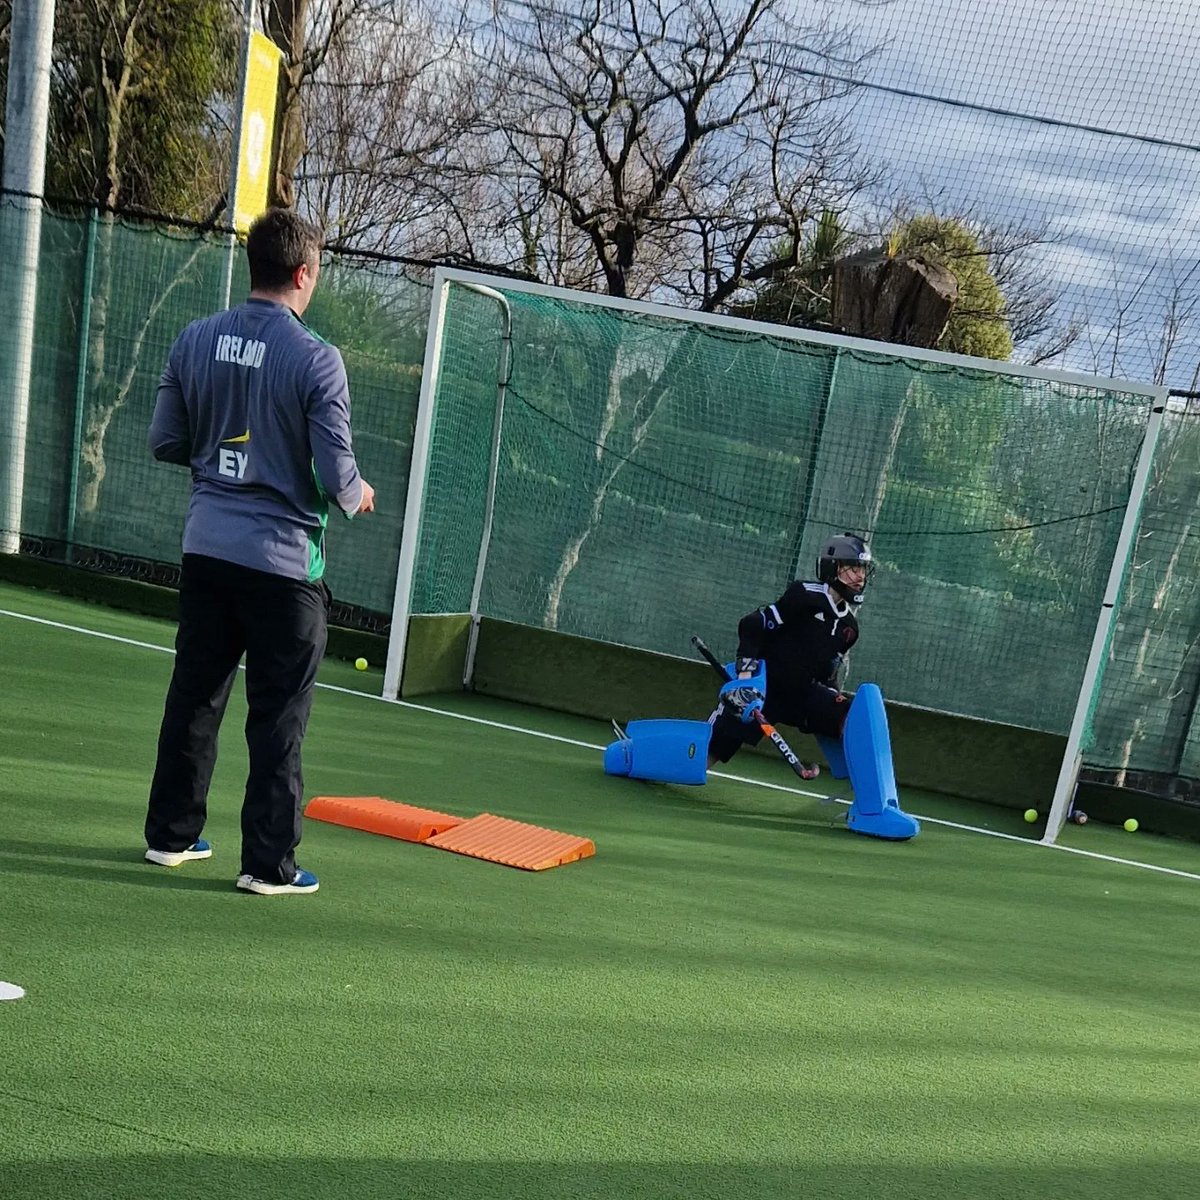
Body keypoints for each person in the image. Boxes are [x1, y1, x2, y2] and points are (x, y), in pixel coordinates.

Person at [143, 207, 375, 896]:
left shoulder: (193, 339)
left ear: (256, 267)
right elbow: (339, 480)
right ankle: (267, 865)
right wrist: (361, 493)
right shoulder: (317, 359)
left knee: (195, 695)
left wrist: (220, 454)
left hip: (207, 551)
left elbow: (165, 441)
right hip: (282, 567)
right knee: (278, 715)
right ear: (304, 274)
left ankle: (170, 836)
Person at [707, 532, 873, 777]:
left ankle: (869, 796)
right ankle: (661, 762)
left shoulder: (850, 629)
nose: (860, 576)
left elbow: (828, 672)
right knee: (712, 751)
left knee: (852, 717)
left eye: (864, 569)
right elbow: (753, 624)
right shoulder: (804, 595)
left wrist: (832, 699)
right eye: (853, 567)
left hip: (802, 694)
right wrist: (745, 679)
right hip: (764, 689)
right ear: (832, 567)